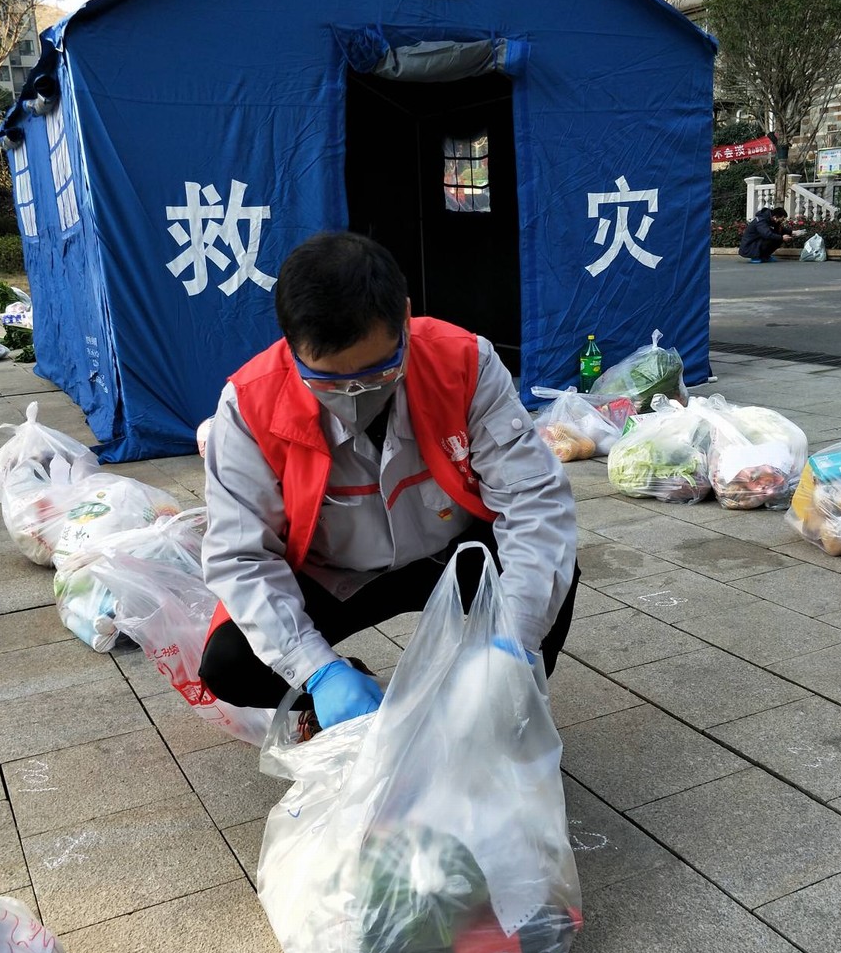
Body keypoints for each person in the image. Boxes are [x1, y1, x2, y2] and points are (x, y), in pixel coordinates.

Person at [198, 230, 580, 734]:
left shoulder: (464, 362)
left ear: (403, 316)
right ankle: (348, 694)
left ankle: (505, 699)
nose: (355, 397)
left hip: (448, 551)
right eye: (331, 382)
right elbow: (242, 558)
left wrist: (515, 638)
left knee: (551, 570)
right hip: (333, 572)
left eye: (377, 374)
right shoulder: (249, 406)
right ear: (290, 344)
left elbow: (534, 502)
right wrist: (318, 670)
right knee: (230, 665)